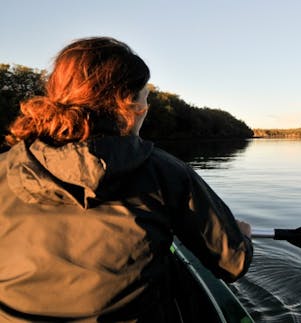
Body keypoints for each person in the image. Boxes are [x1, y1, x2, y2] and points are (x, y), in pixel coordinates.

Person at [0, 37, 253, 322]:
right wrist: (241, 236)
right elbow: (233, 263)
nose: (147, 107)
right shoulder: (167, 173)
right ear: (129, 106)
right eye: (145, 96)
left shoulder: (3, 168)